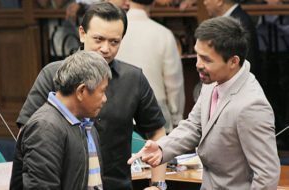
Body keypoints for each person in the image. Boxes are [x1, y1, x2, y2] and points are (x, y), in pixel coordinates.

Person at [16, 2, 167, 190]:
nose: (105, 48)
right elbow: (29, 133)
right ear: (82, 33)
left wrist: (158, 184)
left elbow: (156, 131)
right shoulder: (54, 74)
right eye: (98, 39)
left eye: (114, 42)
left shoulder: (133, 79)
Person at [128, 16, 280, 189]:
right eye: (198, 55)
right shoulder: (213, 80)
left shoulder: (252, 106)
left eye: (207, 60)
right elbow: (194, 126)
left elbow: (267, 175)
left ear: (233, 61)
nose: (198, 65)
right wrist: (162, 148)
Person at [10, 50, 112, 190]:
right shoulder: (45, 128)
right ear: (81, 91)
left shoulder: (86, 124)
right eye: (102, 91)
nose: (105, 99)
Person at [116, 0, 185, 133]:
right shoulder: (164, 34)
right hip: (155, 112)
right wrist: (176, 116)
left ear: (127, 1)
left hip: (117, 109)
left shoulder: (115, 30)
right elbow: (174, 84)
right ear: (153, 3)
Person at [203, 0, 260, 77]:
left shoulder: (238, 24)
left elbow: (243, 65)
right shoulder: (233, 19)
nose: (205, 2)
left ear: (219, 1)